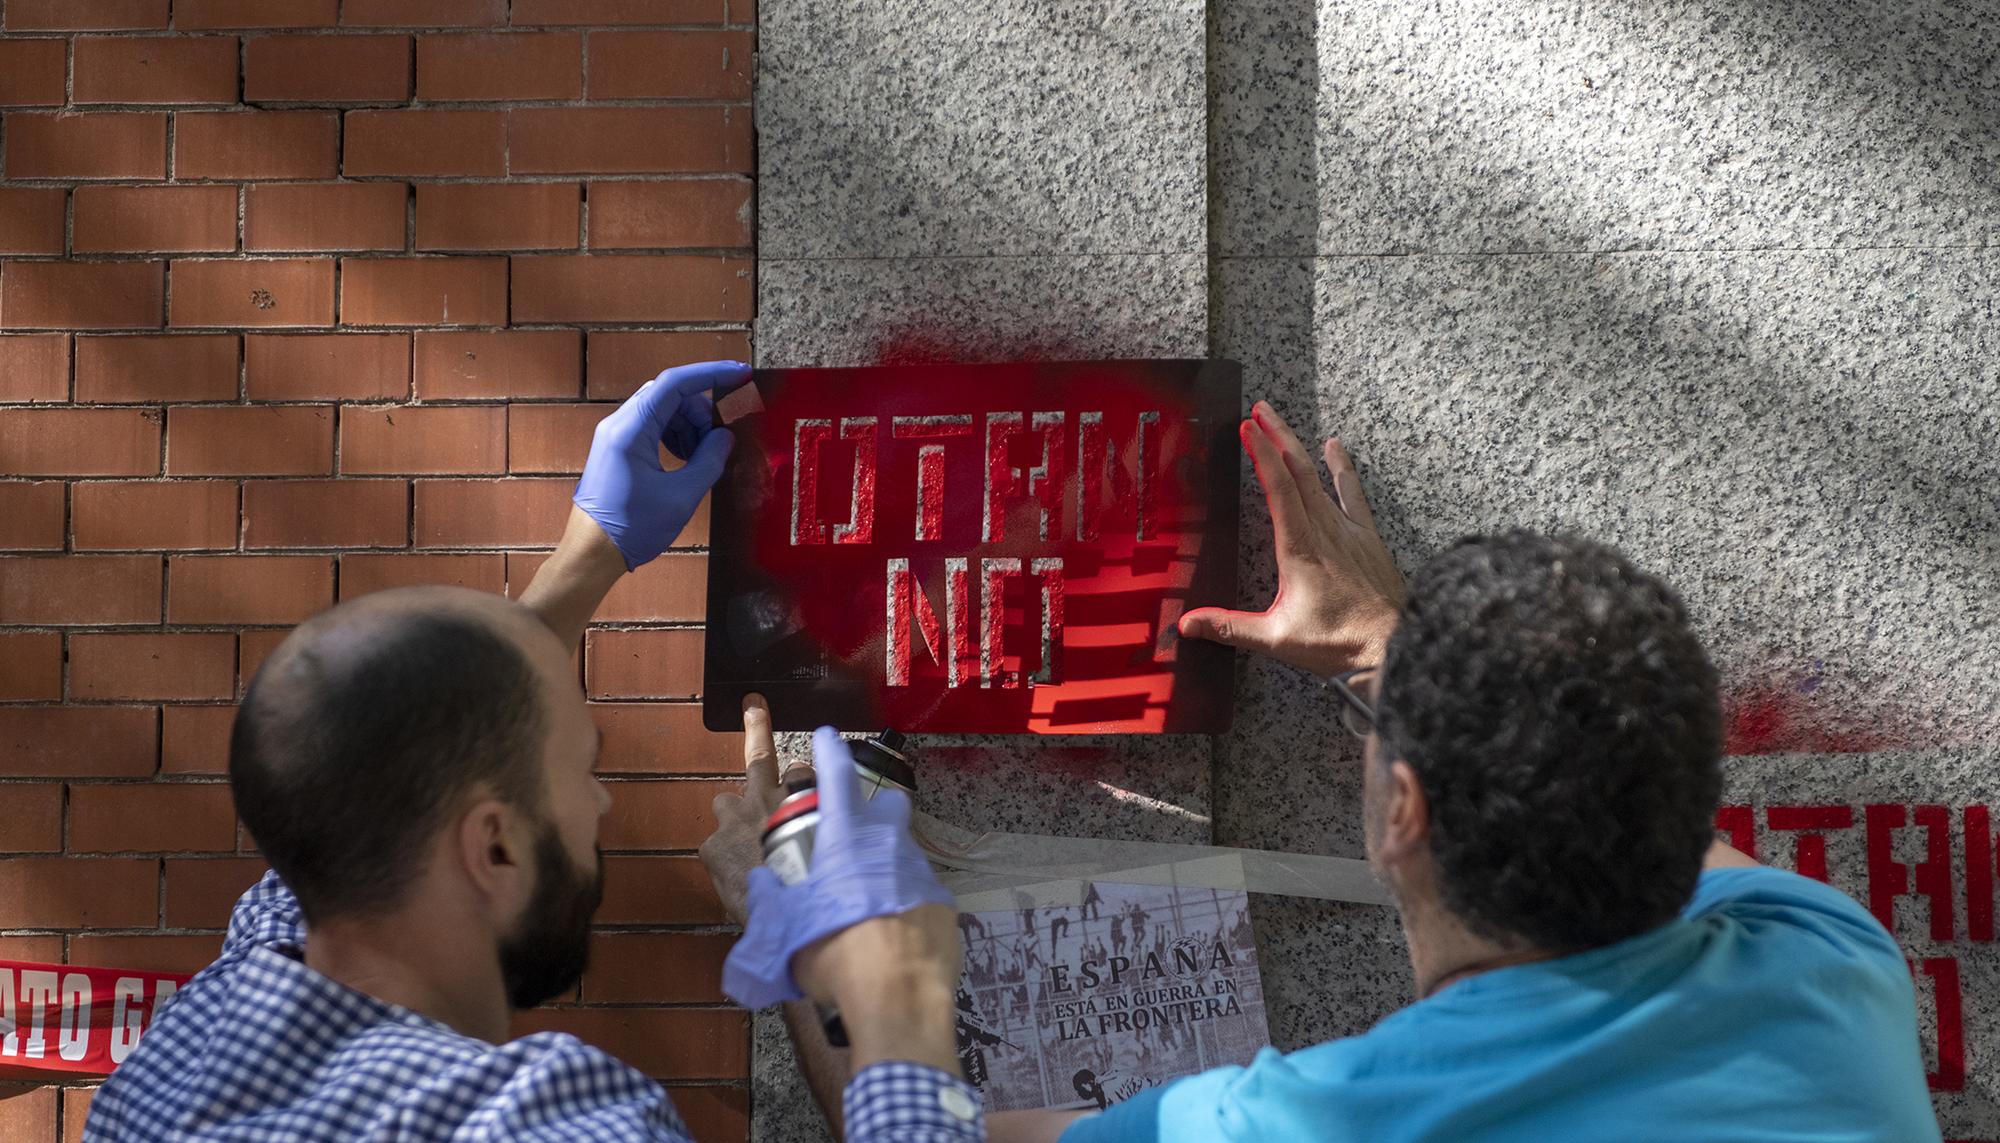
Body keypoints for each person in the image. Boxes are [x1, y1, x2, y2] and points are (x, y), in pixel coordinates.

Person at [975, 402, 1939, 1141]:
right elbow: (1619, 779)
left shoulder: (1320, 1122)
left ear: (1404, 809)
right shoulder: (1828, 960)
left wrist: (832, 898)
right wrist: (1383, 647)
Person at [87, 361, 976, 1141]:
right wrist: (882, 1001)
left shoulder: (181, 1054)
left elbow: (363, 791)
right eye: (581, 771)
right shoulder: (541, 1119)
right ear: (495, 845)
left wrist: (585, 560)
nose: (599, 805)